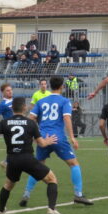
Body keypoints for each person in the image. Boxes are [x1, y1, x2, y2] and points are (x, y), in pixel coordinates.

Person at [0, 96, 64, 214]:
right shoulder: (31, 123)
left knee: (8, 184)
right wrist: (48, 141)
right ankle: (51, 209)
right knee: (52, 179)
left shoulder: (5, 122)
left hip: (12, 160)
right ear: (24, 108)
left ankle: (1, 210)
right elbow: (41, 143)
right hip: (27, 158)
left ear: (12, 108)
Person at [20, 75, 92, 206]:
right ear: (62, 87)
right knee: (74, 164)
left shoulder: (41, 101)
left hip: (43, 138)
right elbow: (67, 118)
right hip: (58, 137)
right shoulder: (64, 101)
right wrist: (72, 137)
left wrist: (34, 136)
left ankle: (26, 194)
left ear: (50, 86)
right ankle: (78, 195)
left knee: (38, 166)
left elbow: (30, 119)